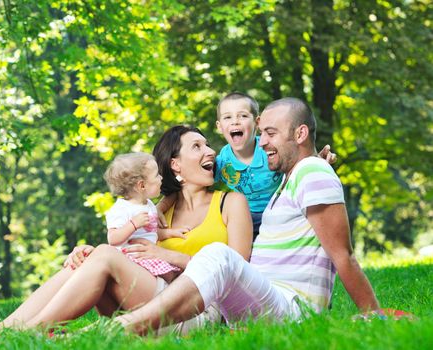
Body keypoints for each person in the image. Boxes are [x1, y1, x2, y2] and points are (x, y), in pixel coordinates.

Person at [0, 126, 253, 334]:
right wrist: (87, 255)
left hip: (197, 310)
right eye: (197, 146)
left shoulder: (230, 202)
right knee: (88, 259)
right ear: (175, 165)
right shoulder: (158, 209)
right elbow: (131, 250)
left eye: (208, 144)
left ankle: (18, 335)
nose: (211, 151)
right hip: (152, 297)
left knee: (102, 255)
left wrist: (165, 254)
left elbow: (236, 269)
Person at [115, 97, 380, 335]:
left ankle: (118, 329)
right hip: (265, 298)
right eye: (262, 133)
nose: (262, 141)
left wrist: (374, 315)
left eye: (271, 133)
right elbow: (184, 185)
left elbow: (343, 254)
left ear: (300, 133)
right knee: (217, 258)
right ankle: (114, 330)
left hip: (293, 310)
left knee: (219, 254)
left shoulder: (312, 171)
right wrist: (158, 208)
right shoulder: (289, 179)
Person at [160, 92, 335, 241]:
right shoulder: (221, 163)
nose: (235, 122)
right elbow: (185, 185)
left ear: (257, 123)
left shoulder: (270, 150)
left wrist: (314, 160)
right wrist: (159, 208)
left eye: (243, 116)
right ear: (220, 127)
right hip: (243, 220)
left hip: (275, 217)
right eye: (228, 117)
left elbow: (294, 162)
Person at [104, 152, 180, 283]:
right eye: (156, 175)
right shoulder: (122, 209)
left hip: (148, 255)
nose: (161, 178)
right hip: (132, 258)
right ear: (142, 186)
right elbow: (113, 239)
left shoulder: (149, 204)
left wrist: (169, 233)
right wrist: (133, 224)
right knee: (169, 276)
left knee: (173, 274)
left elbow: (151, 232)